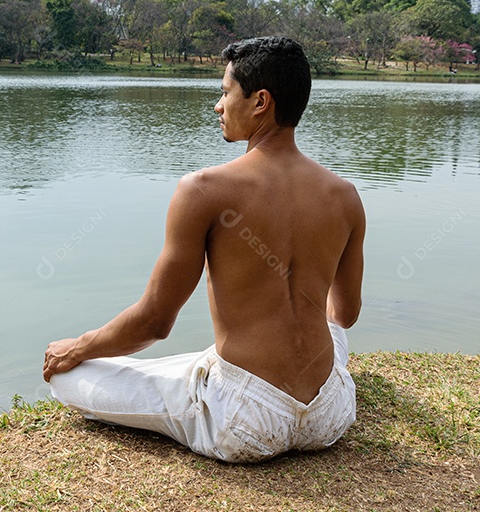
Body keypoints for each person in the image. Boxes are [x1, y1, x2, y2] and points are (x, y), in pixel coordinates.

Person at [44, 36, 365, 463]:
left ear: (260, 102)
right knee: (330, 334)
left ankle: (210, 376)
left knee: (68, 378)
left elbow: (154, 323)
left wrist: (78, 347)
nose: (218, 105)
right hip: (329, 415)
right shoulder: (344, 196)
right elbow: (343, 315)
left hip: (244, 419)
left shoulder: (203, 190)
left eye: (225, 92)